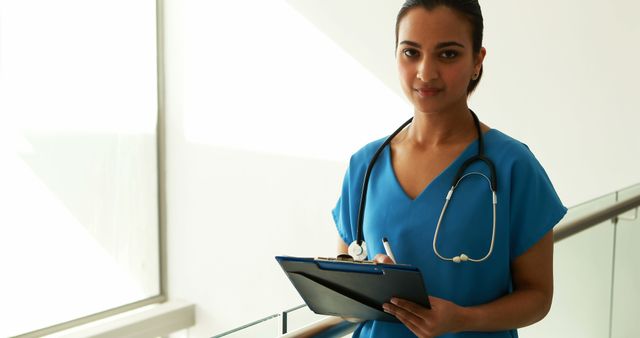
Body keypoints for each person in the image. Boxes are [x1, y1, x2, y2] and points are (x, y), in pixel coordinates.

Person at [331, 0, 567, 337]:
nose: (426, 72)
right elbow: (347, 296)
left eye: (448, 54)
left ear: (477, 60)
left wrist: (462, 319)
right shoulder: (365, 165)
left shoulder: (513, 165)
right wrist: (369, 282)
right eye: (411, 53)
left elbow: (538, 297)